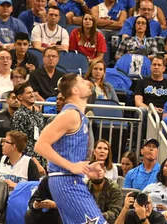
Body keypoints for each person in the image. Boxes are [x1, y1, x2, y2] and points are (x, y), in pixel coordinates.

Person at [33, 73, 107, 223]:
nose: (87, 82)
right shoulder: (70, 115)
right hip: (65, 180)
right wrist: (71, 166)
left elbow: (69, 152)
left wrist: (86, 167)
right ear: (74, 90)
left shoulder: (78, 115)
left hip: (69, 179)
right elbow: (40, 145)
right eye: (81, 81)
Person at [11, 82, 46, 175]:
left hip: (42, 158)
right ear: (20, 97)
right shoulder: (19, 115)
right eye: (28, 93)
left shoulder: (38, 114)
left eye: (32, 92)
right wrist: (35, 163)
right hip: (27, 162)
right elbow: (21, 142)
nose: (32, 95)